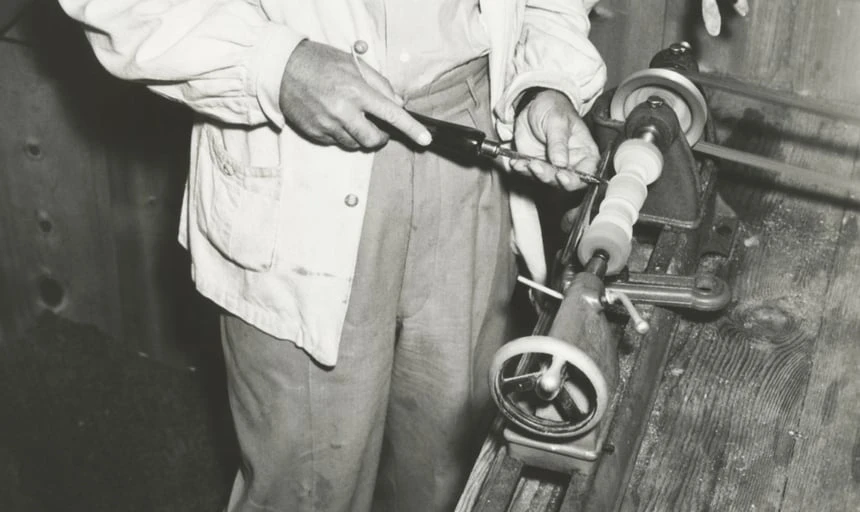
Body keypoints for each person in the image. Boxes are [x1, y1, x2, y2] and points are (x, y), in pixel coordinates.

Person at [57, 1, 607, 511]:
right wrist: (272, 63)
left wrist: (546, 81)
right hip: (295, 155)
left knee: (451, 473)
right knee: (306, 485)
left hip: (471, 148)